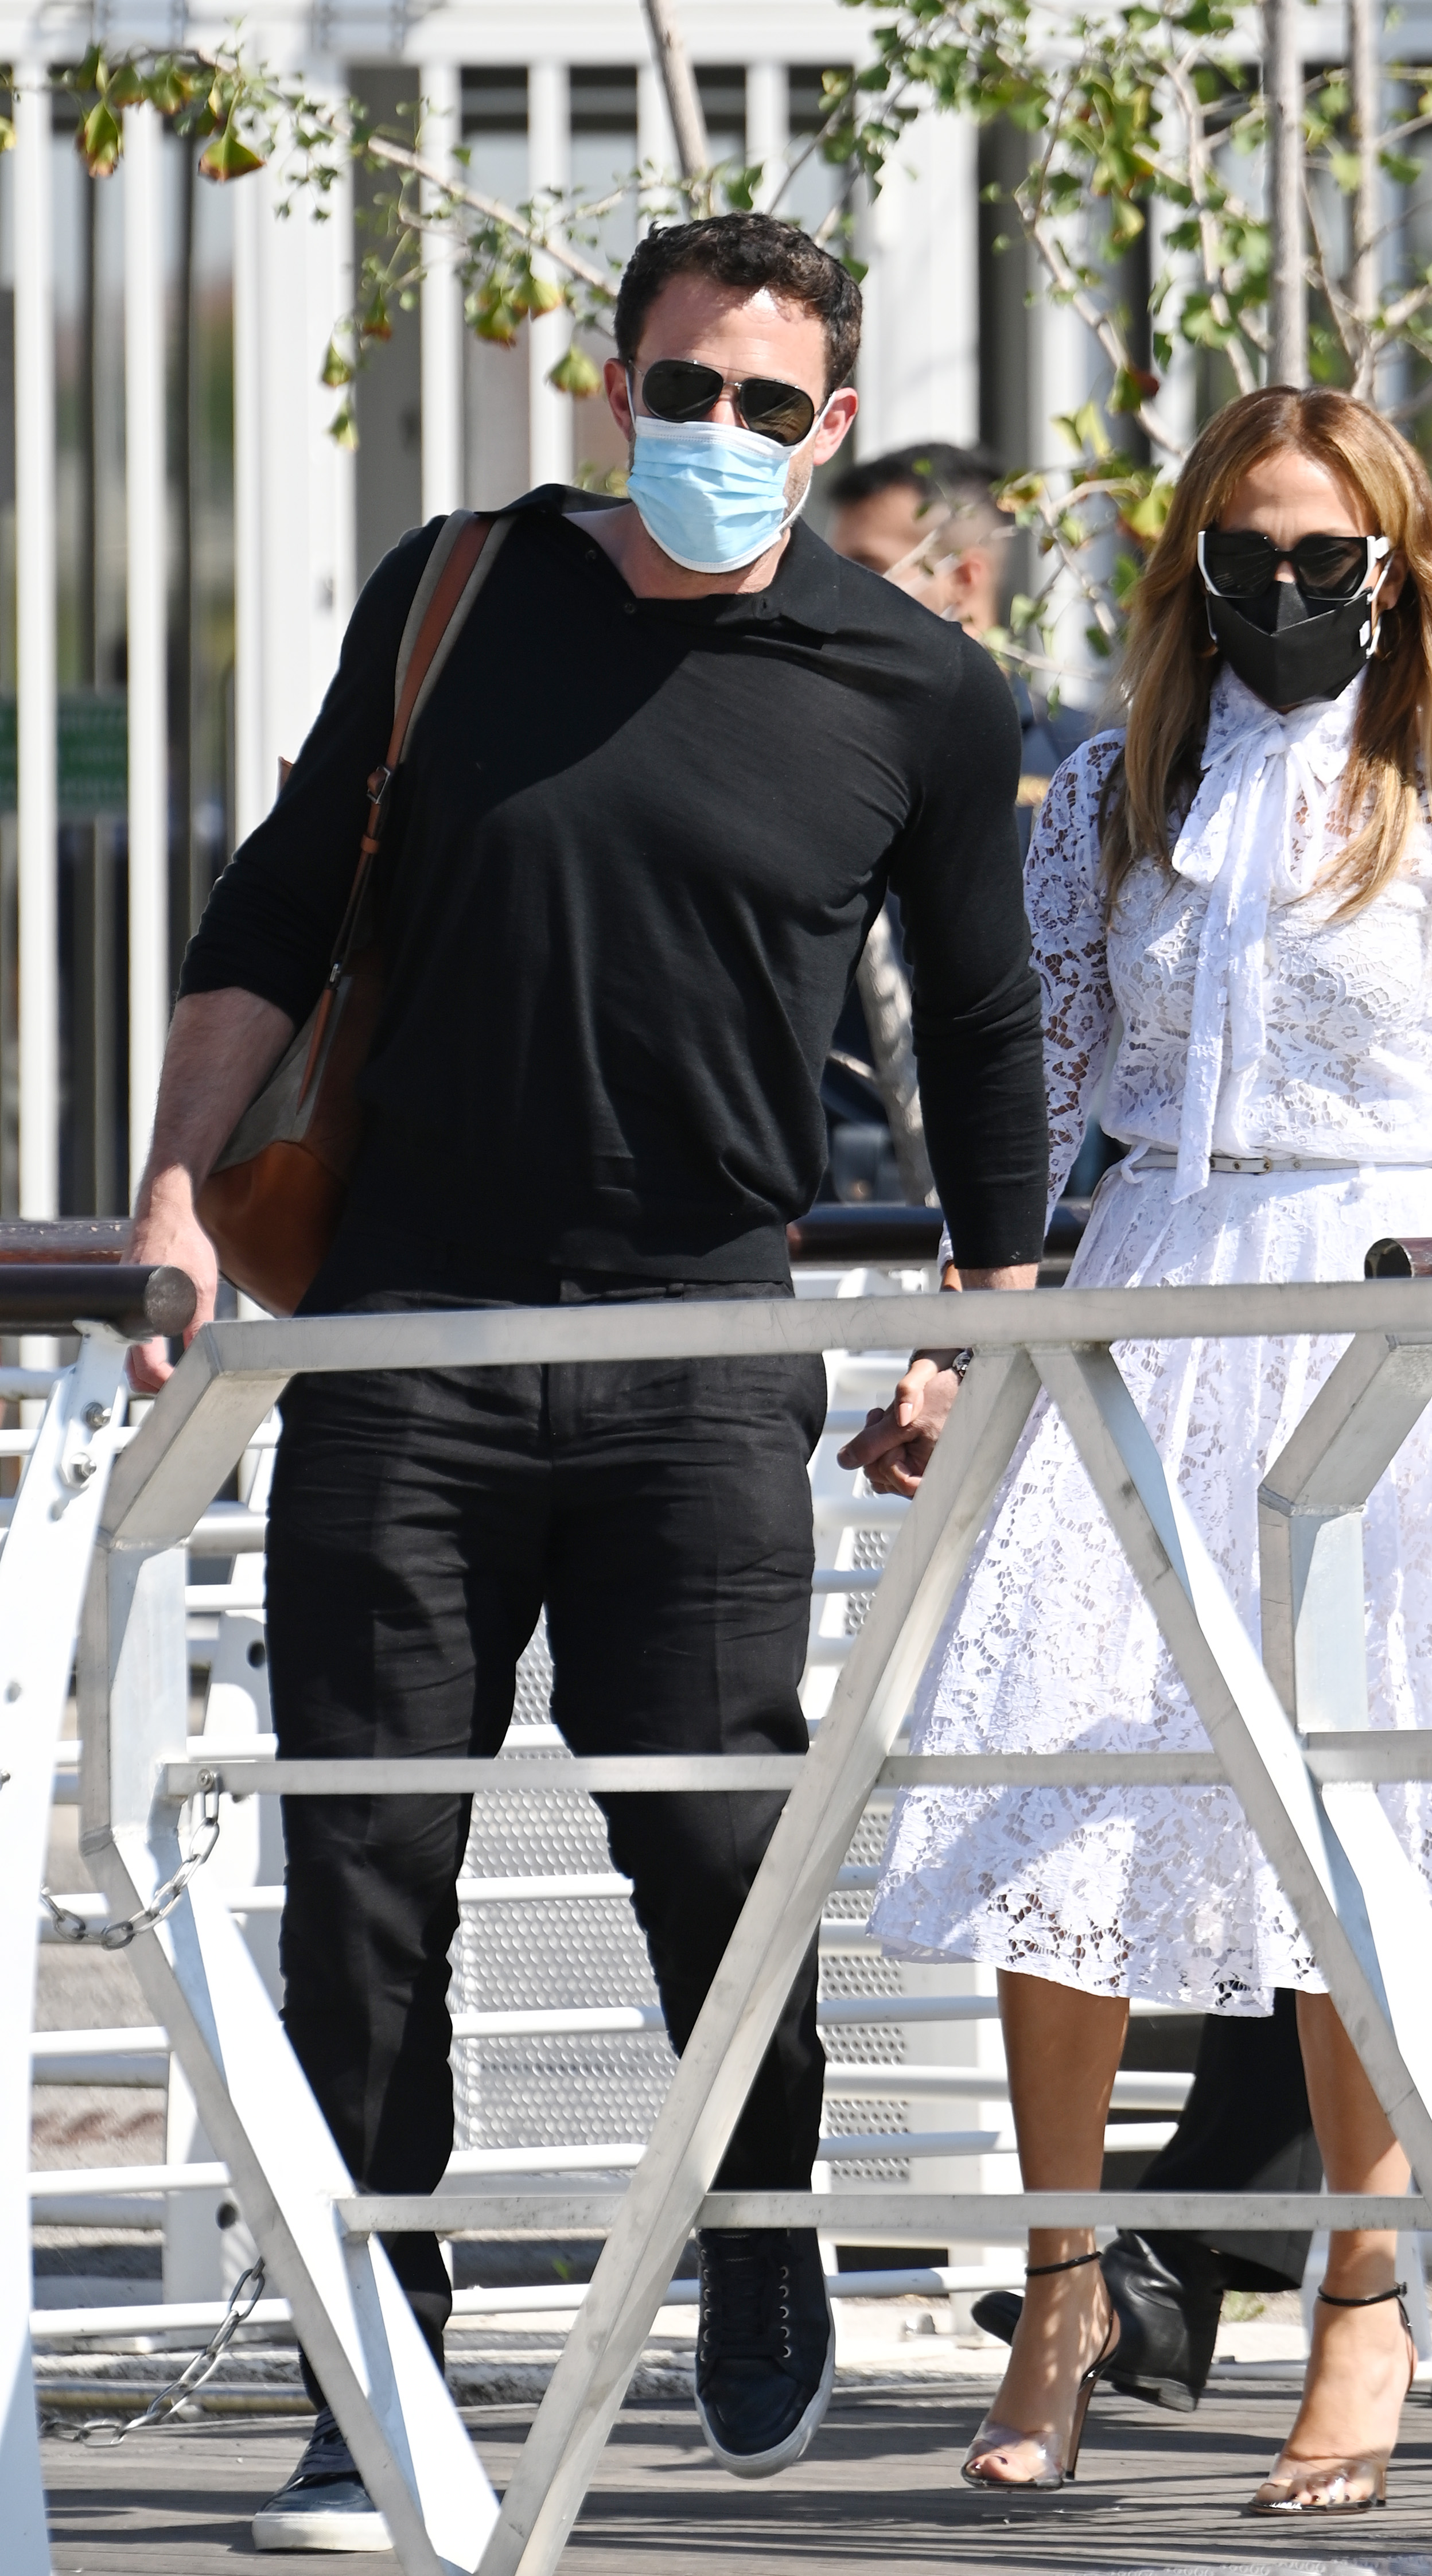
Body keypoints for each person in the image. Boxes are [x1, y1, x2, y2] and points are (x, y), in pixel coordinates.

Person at [125, 211, 1048, 2549]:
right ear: (614, 387)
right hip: (407, 1333)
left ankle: (760, 2226)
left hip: (704, 1342)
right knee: (369, 1883)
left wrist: (969, 1328)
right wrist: (173, 1193)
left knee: (719, 1848)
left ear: (830, 428)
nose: (717, 430)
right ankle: (376, 2372)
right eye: (682, 387)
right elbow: (276, 903)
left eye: (766, 403)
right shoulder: (459, 591)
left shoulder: (917, 688)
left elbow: (980, 1028)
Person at [844, 384, 1432, 2503]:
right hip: (1151, 1295)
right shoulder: (1112, 792)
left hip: (1379, 1308)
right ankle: (1066, 2281)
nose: (1283, 586)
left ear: (1393, 569)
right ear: (1193, 564)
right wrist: (953, 1342)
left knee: (1355, 1824)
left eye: (1323, 555)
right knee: (1058, 1792)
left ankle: (1364, 2301)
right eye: (1246, 551)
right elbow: (1031, 1096)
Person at [827, 442, 1088, 838]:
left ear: (963, 579)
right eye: (832, 569)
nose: (835, 591)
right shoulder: (823, 746)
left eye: (867, 568)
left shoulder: (1086, 760)